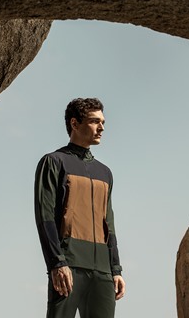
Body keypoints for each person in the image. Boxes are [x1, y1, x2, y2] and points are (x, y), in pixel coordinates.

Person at [34, 97, 125, 318]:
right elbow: (45, 217)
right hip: (69, 264)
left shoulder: (105, 172)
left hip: (102, 270)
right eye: (95, 121)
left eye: (103, 122)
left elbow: (109, 223)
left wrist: (115, 269)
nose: (101, 127)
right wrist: (57, 262)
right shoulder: (54, 162)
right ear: (75, 124)